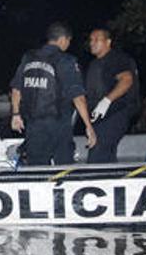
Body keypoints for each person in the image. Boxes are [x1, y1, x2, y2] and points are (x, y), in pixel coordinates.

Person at [10, 22, 96, 165]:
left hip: (33, 125)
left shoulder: (28, 58)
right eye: (69, 41)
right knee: (64, 168)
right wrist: (89, 126)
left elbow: (16, 89)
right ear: (63, 40)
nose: (68, 44)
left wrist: (15, 115)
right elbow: (78, 97)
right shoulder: (66, 61)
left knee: (36, 170)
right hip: (58, 125)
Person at [85, 28, 139, 163]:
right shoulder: (94, 64)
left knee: (98, 154)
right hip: (99, 118)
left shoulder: (116, 58)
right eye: (91, 40)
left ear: (108, 42)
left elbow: (127, 79)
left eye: (97, 39)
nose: (92, 43)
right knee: (105, 154)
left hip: (116, 113)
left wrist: (107, 101)